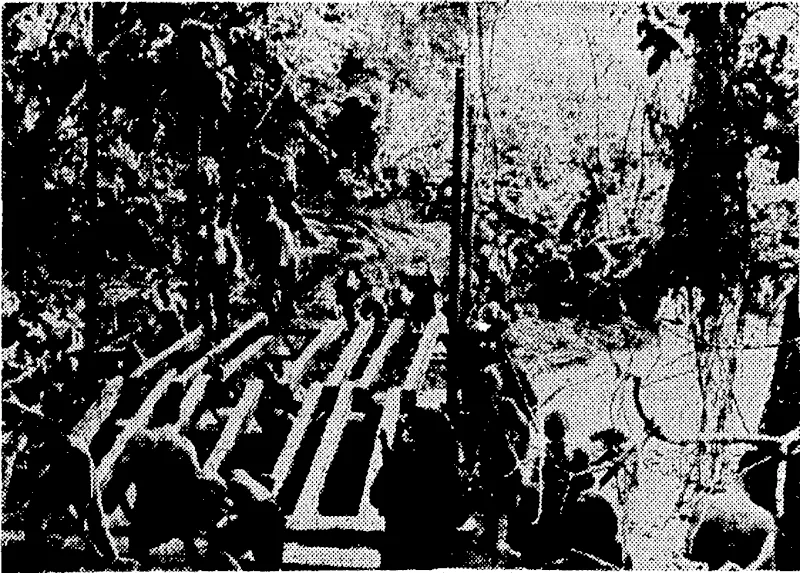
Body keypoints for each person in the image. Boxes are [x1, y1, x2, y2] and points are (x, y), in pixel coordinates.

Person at [102, 428, 227, 569]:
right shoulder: (150, 464)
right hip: (157, 476)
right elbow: (117, 491)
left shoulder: (186, 475)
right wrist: (129, 513)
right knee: (141, 537)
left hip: (165, 481)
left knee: (172, 514)